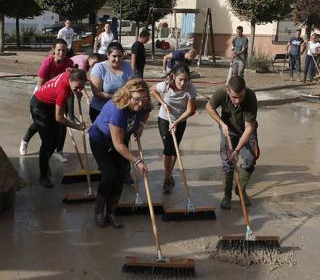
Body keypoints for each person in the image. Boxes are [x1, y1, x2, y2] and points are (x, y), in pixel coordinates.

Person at [88, 79, 151, 228]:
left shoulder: (144, 104)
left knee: (120, 176)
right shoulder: (118, 109)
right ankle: (99, 211)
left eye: (144, 99)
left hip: (122, 137)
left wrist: (141, 125)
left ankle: (111, 212)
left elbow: (147, 111)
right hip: (101, 140)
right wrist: (137, 161)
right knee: (109, 176)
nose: (140, 103)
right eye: (136, 99)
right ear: (128, 96)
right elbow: (118, 144)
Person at [205, 76, 259, 210]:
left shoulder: (250, 97)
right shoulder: (221, 93)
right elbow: (209, 107)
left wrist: (236, 150)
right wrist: (221, 123)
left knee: (250, 160)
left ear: (245, 91)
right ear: (228, 91)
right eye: (234, 97)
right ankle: (227, 196)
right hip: (228, 130)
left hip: (246, 131)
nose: (238, 100)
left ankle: (240, 190)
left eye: (241, 96)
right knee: (227, 162)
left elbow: (249, 127)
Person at [30, 69, 88, 188]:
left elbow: (71, 73)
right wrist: (77, 126)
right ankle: (43, 176)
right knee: (48, 142)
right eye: (76, 87)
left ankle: (45, 163)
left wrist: (77, 91)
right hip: (39, 106)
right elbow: (60, 118)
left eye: (81, 88)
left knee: (55, 141)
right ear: (70, 80)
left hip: (50, 104)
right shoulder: (63, 91)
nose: (78, 90)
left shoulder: (70, 75)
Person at [19, 39, 74, 158]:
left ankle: (59, 151)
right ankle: (25, 141)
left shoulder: (69, 63)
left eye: (64, 50)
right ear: (54, 50)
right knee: (41, 124)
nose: (61, 53)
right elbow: (40, 86)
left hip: (60, 94)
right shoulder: (47, 63)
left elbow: (71, 81)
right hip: (43, 95)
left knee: (61, 123)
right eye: (59, 50)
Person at [151, 64, 198, 193]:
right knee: (168, 147)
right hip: (165, 119)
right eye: (180, 80)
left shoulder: (191, 90)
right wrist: (163, 103)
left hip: (181, 120)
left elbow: (189, 111)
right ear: (173, 77)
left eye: (186, 79)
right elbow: (153, 90)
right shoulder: (165, 86)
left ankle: (169, 173)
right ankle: (167, 178)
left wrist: (177, 122)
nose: (183, 83)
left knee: (175, 149)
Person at [89, 42, 135, 123]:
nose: (117, 59)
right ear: (108, 55)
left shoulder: (127, 66)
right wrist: (117, 97)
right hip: (100, 110)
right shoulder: (99, 68)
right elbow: (97, 92)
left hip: (121, 109)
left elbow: (131, 87)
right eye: (114, 56)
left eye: (120, 56)